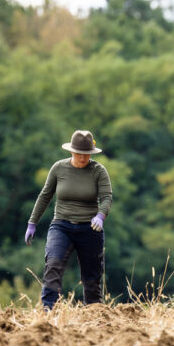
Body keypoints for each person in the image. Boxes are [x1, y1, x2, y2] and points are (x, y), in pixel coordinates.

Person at [26, 129, 113, 308]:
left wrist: (100, 215)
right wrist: (32, 223)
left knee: (92, 277)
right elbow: (45, 195)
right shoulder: (59, 168)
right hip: (62, 226)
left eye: (87, 154)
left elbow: (106, 197)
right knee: (53, 265)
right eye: (79, 153)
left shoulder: (98, 171)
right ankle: (49, 311)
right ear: (72, 151)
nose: (83, 157)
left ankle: (94, 313)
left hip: (90, 228)